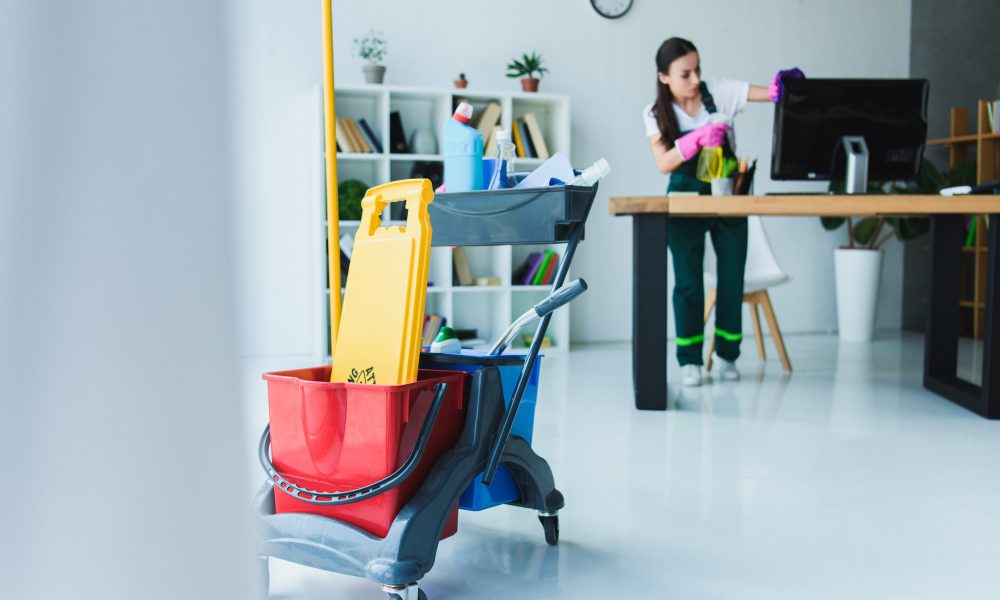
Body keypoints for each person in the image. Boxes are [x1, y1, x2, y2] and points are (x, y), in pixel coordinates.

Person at [642, 37, 801, 386]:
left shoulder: (719, 92)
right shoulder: (656, 113)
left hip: (729, 196)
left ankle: (728, 355)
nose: (695, 79)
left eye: (698, 69)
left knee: (732, 276)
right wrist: (695, 139)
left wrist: (781, 87)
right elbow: (664, 162)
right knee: (687, 282)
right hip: (685, 200)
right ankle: (690, 361)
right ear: (664, 77)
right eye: (685, 74)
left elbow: (768, 94)